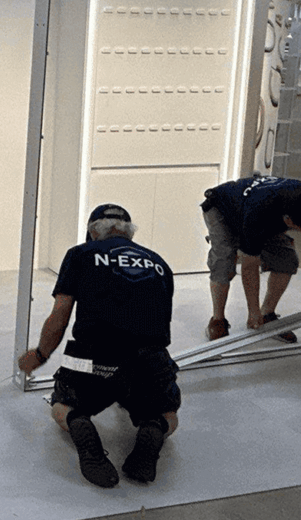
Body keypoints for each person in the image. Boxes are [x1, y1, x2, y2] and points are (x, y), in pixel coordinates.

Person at [18, 204, 180, 488]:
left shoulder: (81, 254)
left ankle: (80, 425)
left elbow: (61, 313)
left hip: (94, 359)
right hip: (151, 362)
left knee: (62, 405)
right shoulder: (160, 262)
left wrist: (40, 355)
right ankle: (153, 428)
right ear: (129, 234)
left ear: (93, 231)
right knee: (168, 415)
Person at [200, 175, 301, 342]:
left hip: (262, 210)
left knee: (286, 260)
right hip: (222, 208)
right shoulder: (258, 214)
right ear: (288, 221)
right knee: (223, 262)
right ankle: (218, 320)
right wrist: (252, 311)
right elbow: (249, 265)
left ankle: (267, 314)